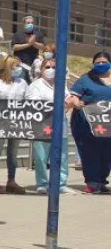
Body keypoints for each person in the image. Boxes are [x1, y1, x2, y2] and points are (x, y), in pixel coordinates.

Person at [26, 55, 73, 194]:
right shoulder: (35, 85)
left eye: (53, 67)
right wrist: (57, 104)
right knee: (41, 157)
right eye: (47, 67)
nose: (50, 69)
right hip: (42, 125)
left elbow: (68, 97)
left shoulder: (61, 83)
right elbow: (33, 104)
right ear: (41, 70)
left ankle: (61, 184)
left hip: (60, 124)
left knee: (62, 157)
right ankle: (42, 184)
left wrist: (69, 100)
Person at [0, 57, 29, 195]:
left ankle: (11, 180)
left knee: (13, 152)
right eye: (16, 66)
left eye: (19, 66)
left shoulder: (22, 83)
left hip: (16, 121)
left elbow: (28, 100)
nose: (19, 69)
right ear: (8, 67)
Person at [70, 51, 111, 194]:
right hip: (87, 125)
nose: (101, 64)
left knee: (107, 154)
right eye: (98, 62)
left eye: (104, 62)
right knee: (90, 153)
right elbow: (74, 96)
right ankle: (92, 182)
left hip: (108, 125)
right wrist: (76, 102)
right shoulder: (85, 80)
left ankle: (101, 181)